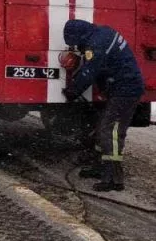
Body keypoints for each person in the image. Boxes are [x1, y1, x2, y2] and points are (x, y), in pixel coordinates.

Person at [61, 19, 144, 192]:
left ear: (79, 35)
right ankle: (100, 167)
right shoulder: (101, 33)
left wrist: (73, 91)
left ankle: (114, 178)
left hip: (125, 91)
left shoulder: (97, 43)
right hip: (120, 88)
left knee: (111, 131)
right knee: (102, 127)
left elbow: (90, 70)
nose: (76, 46)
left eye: (75, 42)